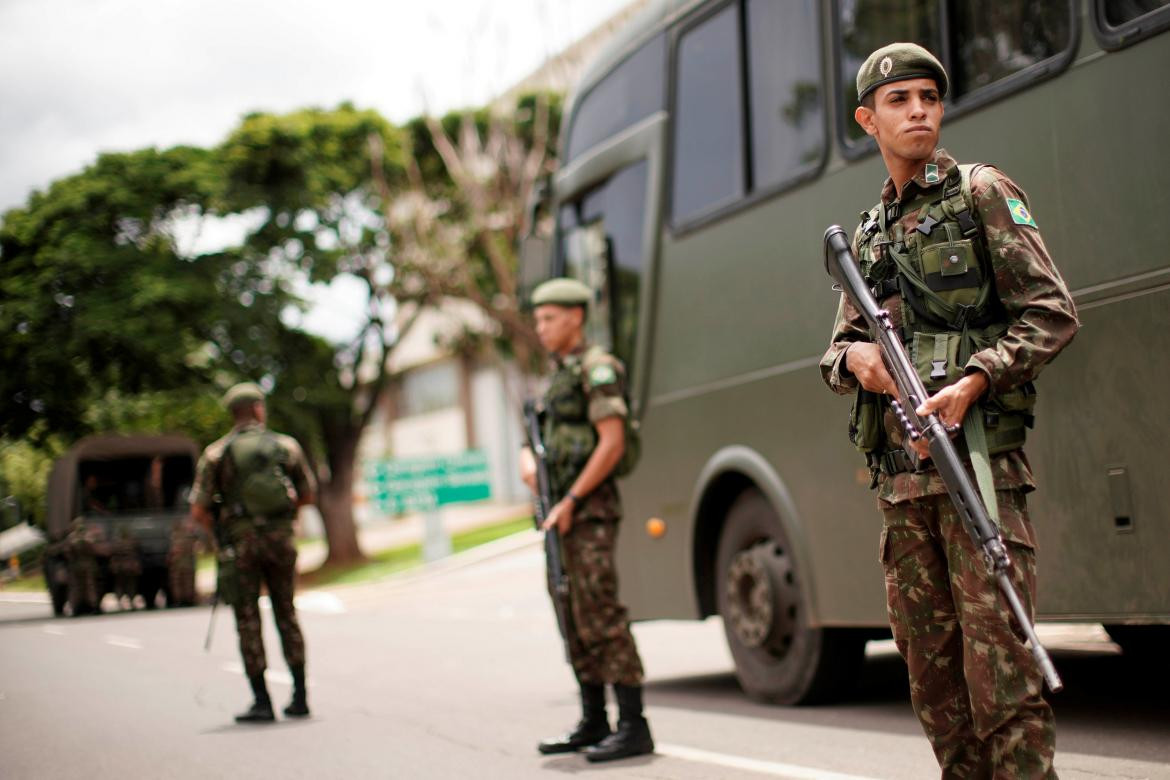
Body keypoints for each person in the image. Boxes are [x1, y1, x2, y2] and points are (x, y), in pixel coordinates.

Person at [819, 43, 1078, 777]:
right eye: (899, 101)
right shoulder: (867, 236)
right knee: (936, 691)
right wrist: (857, 362)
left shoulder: (981, 194)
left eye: (929, 97)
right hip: (903, 495)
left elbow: (1052, 313)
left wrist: (974, 381)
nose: (920, 111)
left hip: (981, 478)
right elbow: (836, 350)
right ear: (869, 120)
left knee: (1004, 688)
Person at [520, 278, 653, 763]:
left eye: (549, 318)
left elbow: (612, 441)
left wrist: (573, 498)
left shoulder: (598, 368)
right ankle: (593, 718)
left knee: (600, 612)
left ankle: (634, 725)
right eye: (538, 320)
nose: (541, 328)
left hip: (588, 511)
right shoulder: (558, 375)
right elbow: (542, 437)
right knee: (571, 613)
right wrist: (526, 459)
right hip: (560, 513)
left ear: (576, 316)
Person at [189, 382, 317, 723]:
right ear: (258, 409)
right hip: (281, 541)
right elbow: (307, 494)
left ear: (233, 413)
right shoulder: (285, 446)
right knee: (286, 613)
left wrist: (221, 536)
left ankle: (262, 702)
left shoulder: (217, 454)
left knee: (248, 620)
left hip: (241, 545)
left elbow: (198, 510)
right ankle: (300, 696)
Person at [167, 518, 199, 607]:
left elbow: (172, 552)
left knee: (179, 584)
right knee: (186, 583)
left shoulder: (175, 538)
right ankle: (187, 600)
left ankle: (181, 600)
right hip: (186, 564)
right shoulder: (189, 537)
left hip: (179, 565)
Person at [109, 526, 142, 610]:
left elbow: (113, 554)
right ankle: (131, 601)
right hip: (130, 565)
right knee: (130, 585)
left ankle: (120, 602)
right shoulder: (131, 541)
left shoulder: (117, 542)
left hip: (120, 566)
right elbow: (136, 551)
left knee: (120, 585)